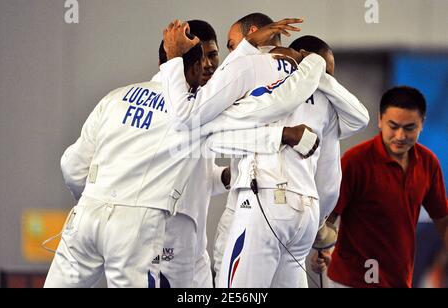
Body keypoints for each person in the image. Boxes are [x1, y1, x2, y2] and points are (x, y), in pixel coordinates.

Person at [44, 24, 317, 288]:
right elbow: (253, 117)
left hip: (85, 216)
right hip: (137, 227)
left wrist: (96, 199)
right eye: (206, 60)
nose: (212, 67)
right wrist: (286, 131)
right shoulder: (193, 114)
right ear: (195, 66)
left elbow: (71, 166)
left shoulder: (115, 98)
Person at [212, 35, 368, 288]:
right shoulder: (327, 103)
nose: (324, 78)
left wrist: (312, 68)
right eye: (323, 70)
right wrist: (317, 223)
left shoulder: (259, 77)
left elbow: (214, 137)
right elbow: (330, 183)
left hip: (264, 203)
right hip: (307, 214)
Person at [311, 86, 448, 288]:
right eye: (393, 126)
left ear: (422, 124)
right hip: (350, 281)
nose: (400, 135)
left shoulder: (429, 163)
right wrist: (321, 250)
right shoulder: (355, 161)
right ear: (380, 120)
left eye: (409, 128)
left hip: (398, 279)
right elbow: (328, 217)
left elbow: (442, 219)